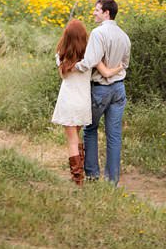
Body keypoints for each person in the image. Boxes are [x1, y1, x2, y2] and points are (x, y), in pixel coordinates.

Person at [51, 18, 122, 186]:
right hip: (83, 101)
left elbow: (64, 75)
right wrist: (119, 68)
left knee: (72, 140)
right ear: (84, 37)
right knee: (77, 137)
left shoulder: (60, 56)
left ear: (66, 37)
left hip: (68, 101)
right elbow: (105, 73)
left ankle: (78, 179)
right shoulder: (91, 57)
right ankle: (80, 175)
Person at [79, 0, 131, 185]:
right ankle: (112, 181)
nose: (93, 12)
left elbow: (90, 60)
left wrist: (73, 67)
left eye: (97, 10)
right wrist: (113, 70)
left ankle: (92, 175)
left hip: (101, 89)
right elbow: (125, 64)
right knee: (114, 135)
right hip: (119, 89)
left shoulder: (98, 33)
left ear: (106, 13)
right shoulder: (124, 36)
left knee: (90, 129)